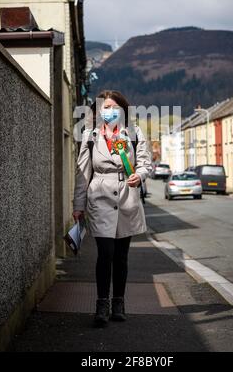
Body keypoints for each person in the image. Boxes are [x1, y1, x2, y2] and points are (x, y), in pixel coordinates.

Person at [72, 90, 152, 326]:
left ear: (122, 109)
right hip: (100, 197)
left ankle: (119, 303)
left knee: (121, 256)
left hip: (127, 196)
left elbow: (146, 162)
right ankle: (101, 306)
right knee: (105, 254)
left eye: (113, 107)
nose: (109, 111)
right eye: (104, 107)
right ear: (98, 112)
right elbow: (82, 173)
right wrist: (78, 205)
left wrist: (139, 174)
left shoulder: (134, 133)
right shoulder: (89, 135)